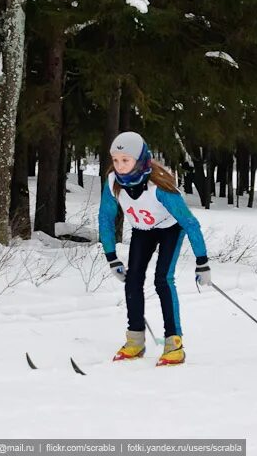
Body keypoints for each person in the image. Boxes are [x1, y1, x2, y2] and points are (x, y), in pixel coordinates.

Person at [98, 131, 212, 366]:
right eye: (116, 160)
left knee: (163, 279)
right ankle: (135, 340)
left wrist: (202, 262)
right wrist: (112, 257)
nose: (119, 166)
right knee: (133, 280)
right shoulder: (112, 182)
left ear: (139, 159)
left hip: (170, 229)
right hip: (142, 230)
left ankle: (174, 343)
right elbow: (105, 218)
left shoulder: (159, 187)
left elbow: (190, 222)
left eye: (125, 160)